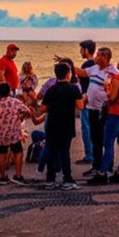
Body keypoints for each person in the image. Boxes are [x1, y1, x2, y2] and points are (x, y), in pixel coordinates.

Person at [88, 55, 119, 185]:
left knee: (108, 143)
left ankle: (102, 173)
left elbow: (112, 98)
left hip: (116, 113)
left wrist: (107, 88)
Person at [75, 47, 118, 177]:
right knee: (95, 139)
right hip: (91, 109)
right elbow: (81, 73)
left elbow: (114, 92)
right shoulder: (94, 68)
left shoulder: (113, 72)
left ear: (105, 57)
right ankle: (96, 165)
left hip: (103, 111)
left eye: (98, 55)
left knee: (105, 140)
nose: (95, 57)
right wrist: (68, 64)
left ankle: (107, 167)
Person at [41, 62, 84, 190]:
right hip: (66, 125)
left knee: (52, 152)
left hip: (52, 124)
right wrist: (85, 98)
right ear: (68, 74)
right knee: (65, 152)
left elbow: (43, 108)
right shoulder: (73, 89)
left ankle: (50, 179)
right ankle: (67, 179)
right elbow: (80, 106)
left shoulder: (51, 89)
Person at [0, 82, 31, 185]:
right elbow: (28, 111)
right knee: (18, 152)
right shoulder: (15, 102)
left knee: (1, 153)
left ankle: (3, 177)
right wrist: (21, 117)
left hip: (1, 134)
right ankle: (17, 175)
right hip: (14, 133)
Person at [76, 39, 96, 164]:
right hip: (94, 100)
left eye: (81, 49)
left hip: (86, 99)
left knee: (86, 128)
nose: (80, 52)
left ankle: (89, 155)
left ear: (86, 50)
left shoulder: (86, 66)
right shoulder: (96, 64)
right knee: (93, 128)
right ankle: (94, 153)